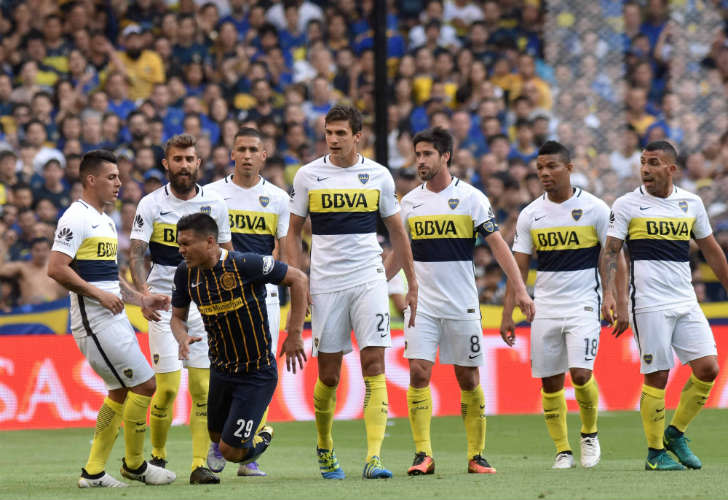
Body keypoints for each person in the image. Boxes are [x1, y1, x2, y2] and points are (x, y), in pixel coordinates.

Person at [287, 104, 418, 479]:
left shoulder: (378, 175)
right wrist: (300, 278)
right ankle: (325, 445)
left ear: (357, 136)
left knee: (373, 365)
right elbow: (293, 232)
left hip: (368, 279)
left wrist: (411, 282)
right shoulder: (309, 175)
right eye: (329, 133)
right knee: (328, 375)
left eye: (341, 133)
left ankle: (373, 457)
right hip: (325, 283)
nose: (333, 139)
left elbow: (397, 233)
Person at [393, 128, 534, 476]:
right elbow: (400, 252)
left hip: (461, 304)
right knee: (418, 372)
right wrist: (374, 284)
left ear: (445, 157)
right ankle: (422, 454)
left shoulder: (471, 198)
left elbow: (498, 245)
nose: (420, 161)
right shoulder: (409, 202)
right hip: (421, 302)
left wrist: (519, 289)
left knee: (468, 378)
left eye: (427, 154)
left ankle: (476, 455)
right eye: (417, 154)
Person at [47, 149, 176, 488]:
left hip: (112, 317)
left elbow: (109, 278)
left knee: (119, 393)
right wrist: (99, 295)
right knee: (146, 385)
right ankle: (134, 465)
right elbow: (56, 268)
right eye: (111, 177)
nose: (119, 182)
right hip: (94, 322)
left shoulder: (104, 219)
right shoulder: (75, 217)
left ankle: (93, 472)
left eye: (119, 177)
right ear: (91, 180)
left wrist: (140, 299)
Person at [601, 140, 728, 471]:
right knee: (657, 375)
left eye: (653, 162)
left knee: (708, 368)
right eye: (643, 162)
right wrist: (611, 295)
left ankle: (676, 432)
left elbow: (711, 249)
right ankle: (655, 453)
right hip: (648, 302)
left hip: (685, 299)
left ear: (672, 169)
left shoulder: (691, 203)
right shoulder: (627, 205)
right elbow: (611, 251)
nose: (645, 168)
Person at [501, 141, 624, 469]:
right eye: (540, 167)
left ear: (569, 168)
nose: (544, 173)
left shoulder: (596, 208)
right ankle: (562, 450)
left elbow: (612, 256)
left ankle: (589, 434)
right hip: (545, 307)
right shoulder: (531, 214)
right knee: (550, 381)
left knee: (581, 374)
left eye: (552, 166)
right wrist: (508, 313)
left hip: (584, 303)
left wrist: (612, 296)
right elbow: (518, 267)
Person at [129, 134, 232, 485]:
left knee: (203, 388)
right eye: (177, 159)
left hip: (204, 303)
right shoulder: (150, 204)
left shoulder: (215, 204)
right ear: (166, 164)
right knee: (169, 389)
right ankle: (157, 456)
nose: (184, 165)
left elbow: (226, 251)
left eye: (190, 159)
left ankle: (199, 463)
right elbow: (136, 252)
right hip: (162, 301)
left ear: (198, 163)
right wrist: (143, 291)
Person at [170, 213, 308, 475]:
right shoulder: (184, 274)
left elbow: (299, 279)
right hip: (221, 370)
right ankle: (225, 443)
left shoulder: (244, 264)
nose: (181, 250)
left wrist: (294, 333)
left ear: (211, 242)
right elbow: (177, 318)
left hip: (255, 372)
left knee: (231, 452)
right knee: (215, 434)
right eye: (180, 244)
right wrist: (181, 336)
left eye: (187, 244)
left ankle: (262, 437)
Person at [205, 126, 291, 477]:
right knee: (221, 358)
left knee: (260, 364)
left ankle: (247, 449)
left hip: (264, 294)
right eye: (241, 149)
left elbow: (285, 251)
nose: (247, 155)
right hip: (222, 292)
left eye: (253, 149)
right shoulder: (211, 194)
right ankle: (217, 440)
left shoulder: (279, 198)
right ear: (232, 153)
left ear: (263, 154)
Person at [0, 237, 67, 304]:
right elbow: (1, 269)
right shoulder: (22, 267)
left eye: (44, 250)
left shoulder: (56, 268)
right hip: (31, 312)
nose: (41, 254)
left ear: (50, 251)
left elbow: (65, 293)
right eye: (37, 250)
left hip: (55, 310)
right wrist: (4, 245)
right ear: (30, 251)